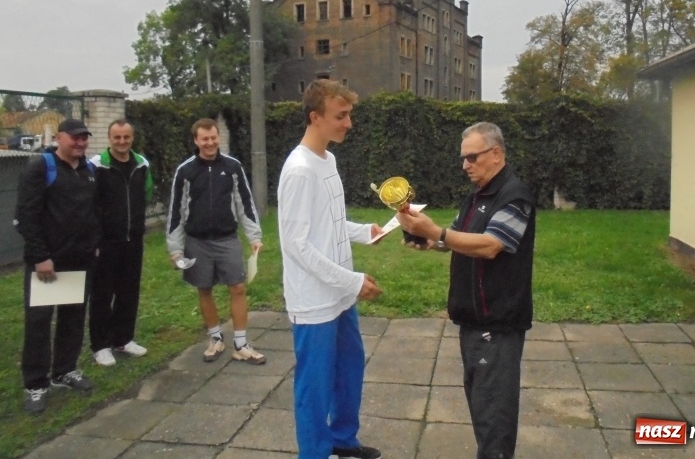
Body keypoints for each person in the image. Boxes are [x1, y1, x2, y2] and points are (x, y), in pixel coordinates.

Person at [396, 122, 536, 459]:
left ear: (496, 154)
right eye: (463, 158)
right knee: (481, 407)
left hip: (497, 325)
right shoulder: (477, 195)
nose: (465, 165)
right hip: (472, 321)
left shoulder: (514, 196)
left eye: (472, 157)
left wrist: (438, 233)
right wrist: (427, 238)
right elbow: (457, 238)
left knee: (494, 418)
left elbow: (490, 245)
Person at [277, 80, 383, 459]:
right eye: (341, 116)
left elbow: (330, 223)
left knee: (349, 370)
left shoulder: (328, 160)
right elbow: (297, 244)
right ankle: (314, 453)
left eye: (349, 114)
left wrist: (365, 232)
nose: (348, 123)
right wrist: (352, 281)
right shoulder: (299, 170)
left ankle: (342, 440)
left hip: (339, 295)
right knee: (315, 387)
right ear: (315, 117)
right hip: (314, 302)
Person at [14, 118, 101, 414]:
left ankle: (65, 370)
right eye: (74, 137)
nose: (80, 142)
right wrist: (40, 257)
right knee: (39, 324)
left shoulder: (89, 170)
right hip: (47, 264)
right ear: (59, 137)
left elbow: (93, 211)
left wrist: (94, 243)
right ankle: (35, 384)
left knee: (72, 319)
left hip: (80, 260)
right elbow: (26, 215)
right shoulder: (42, 167)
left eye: (84, 138)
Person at [166, 117, 265, 365]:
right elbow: (176, 211)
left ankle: (241, 344)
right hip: (197, 241)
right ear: (196, 140)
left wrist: (254, 237)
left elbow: (245, 203)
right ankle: (215, 338)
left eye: (213, 137)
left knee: (238, 288)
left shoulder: (232, 167)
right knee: (204, 289)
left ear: (218, 137)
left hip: (227, 239)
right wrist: (175, 250)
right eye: (204, 139)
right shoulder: (185, 171)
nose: (210, 143)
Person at [88, 119, 153, 366]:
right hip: (106, 242)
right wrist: (94, 238)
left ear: (132, 138)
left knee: (129, 292)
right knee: (102, 294)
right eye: (117, 137)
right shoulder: (97, 165)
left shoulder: (142, 164)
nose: (122, 141)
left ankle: (124, 339)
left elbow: (146, 194)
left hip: (133, 240)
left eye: (126, 137)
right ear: (109, 138)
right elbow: (90, 203)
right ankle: (101, 345)